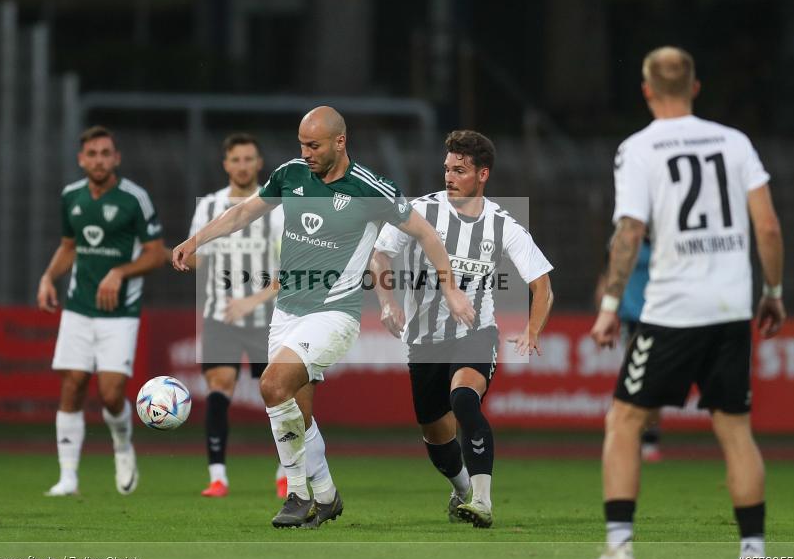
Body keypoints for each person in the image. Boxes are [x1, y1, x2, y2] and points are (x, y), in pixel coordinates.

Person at [172, 106, 475, 528]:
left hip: (335, 312)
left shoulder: (370, 188)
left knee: (272, 384)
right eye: (301, 144)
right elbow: (243, 212)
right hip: (287, 312)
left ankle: (297, 495)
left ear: (340, 142)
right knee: (298, 411)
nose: (306, 152)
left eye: (314, 145)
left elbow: (425, 232)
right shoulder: (291, 174)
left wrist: (450, 288)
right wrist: (196, 239)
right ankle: (328, 497)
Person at [572, 47, 785, 559]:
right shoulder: (735, 143)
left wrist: (610, 306)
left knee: (623, 420)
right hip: (731, 309)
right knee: (735, 432)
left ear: (646, 90)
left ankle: (620, 552)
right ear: (695, 87)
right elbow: (769, 228)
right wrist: (773, 291)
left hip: (671, 312)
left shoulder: (638, 149)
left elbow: (630, 232)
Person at [370, 130, 553, 528]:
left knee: (465, 400)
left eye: (460, 170)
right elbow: (380, 254)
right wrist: (386, 302)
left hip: (476, 331)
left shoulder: (504, 225)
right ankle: (462, 489)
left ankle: (484, 503)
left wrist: (533, 329)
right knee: (437, 440)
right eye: (447, 168)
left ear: (483, 174)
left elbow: (542, 285)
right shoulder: (419, 211)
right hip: (423, 342)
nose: (450, 176)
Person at [37, 126, 167, 496]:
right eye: (91, 153)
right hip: (79, 307)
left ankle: (123, 447)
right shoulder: (71, 197)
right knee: (73, 384)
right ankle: (68, 478)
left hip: (120, 311)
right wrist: (48, 277)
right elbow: (69, 246)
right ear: (81, 159)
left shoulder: (134, 198)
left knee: (111, 395)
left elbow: (156, 252)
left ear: (116, 158)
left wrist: (119, 272)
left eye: (105, 153)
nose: (98, 159)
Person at [186, 133, 287, 498]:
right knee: (220, 386)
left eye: (249, 159)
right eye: (236, 159)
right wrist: (191, 257)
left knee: (278, 394)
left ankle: (285, 472)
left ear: (258, 164)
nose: (243, 166)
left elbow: (290, 267)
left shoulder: (275, 207)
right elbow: (198, 253)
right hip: (220, 316)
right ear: (226, 164)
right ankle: (218, 477)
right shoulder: (210, 207)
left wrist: (253, 299)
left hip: (269, 318)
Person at [596, 239, 663, 462]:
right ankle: (634, 437)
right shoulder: (620, 240)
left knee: (652, 378)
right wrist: (604, 312)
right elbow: (608, 275)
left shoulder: (661, 236)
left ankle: (649, 436)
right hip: (631, 318)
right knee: (635, 376)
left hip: (660, 315)